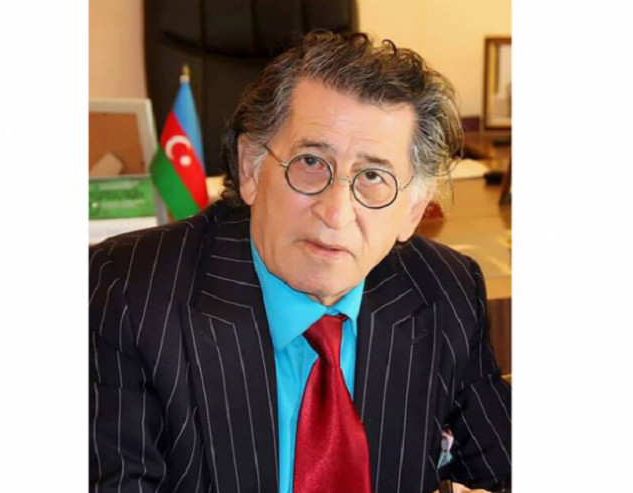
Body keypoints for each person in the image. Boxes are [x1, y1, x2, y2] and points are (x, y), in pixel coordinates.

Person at [90, 31, 511, 493]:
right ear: (250, 168)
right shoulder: (128, 292)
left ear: (414, 209)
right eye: (311, 162)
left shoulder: (445, 291)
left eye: (373, 176)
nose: (336, 212)